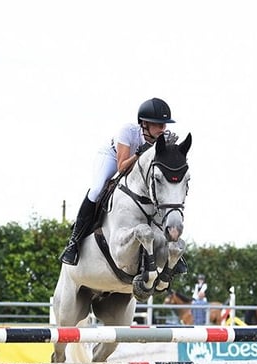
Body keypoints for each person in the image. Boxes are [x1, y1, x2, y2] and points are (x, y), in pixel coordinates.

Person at [59, 97, 186, 274]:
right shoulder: (128, 131)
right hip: (113, 158)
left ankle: (171, 247)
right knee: (97, 189)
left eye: (164, 125)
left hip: (138, 170)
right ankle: (74, 242)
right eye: (158, 124)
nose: (163, 129)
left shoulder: (161, 138)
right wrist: (140, 153)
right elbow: (122, 167)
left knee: (159, 195)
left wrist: (169, 149)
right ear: (144, 124)